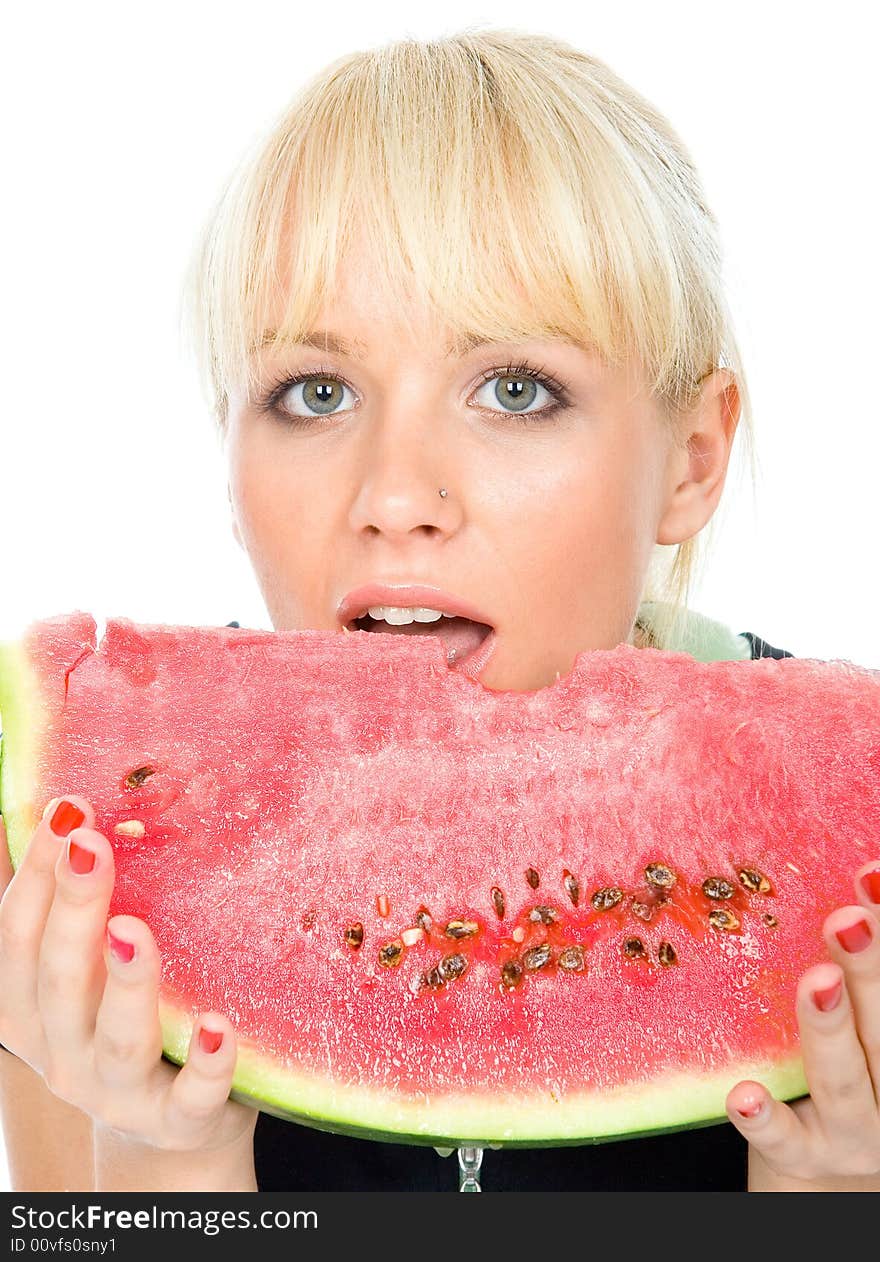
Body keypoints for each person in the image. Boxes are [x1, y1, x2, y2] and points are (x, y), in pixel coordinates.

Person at [1, 27, 878, 1194]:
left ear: (693, 456)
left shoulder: (848, 860)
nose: (396, 495)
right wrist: (167, 1150)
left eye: (515, 390)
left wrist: (828, 1194)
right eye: (314, 392)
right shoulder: (94, 866)